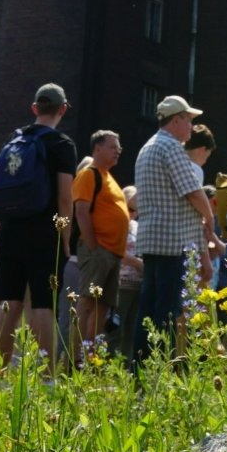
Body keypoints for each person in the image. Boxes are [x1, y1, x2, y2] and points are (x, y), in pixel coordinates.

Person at [132, 94, 222, 364]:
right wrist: (209, 217)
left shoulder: (147, 148)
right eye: (188, 120)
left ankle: (141, 368)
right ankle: (162, 368)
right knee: (168, 310)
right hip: (173, 241)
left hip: (152, 240)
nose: (191, 127)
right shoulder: (171, 148)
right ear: (176, 120)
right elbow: (194, 193)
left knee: (148, 309)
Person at [0, 83, 77, 364]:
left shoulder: (14, 139)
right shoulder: (62, 144)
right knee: (43, 303)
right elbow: (65, 197)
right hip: (44, 233)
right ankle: (47, 376)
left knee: (9, 301)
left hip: (10, 228)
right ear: (62, 109)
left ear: (34, 108)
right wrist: (65, 238)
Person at [71, 130, 130, 353]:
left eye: (119, 147)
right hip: (99, 251)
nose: (118, 151)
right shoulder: (89, 175)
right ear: (97, 148)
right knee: (87, 303)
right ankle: (74, 359)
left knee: (103, 307)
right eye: (113, 147)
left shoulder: (109, 177)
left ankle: (90, 357)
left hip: (112, 254)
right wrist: (93, 247)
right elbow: (81, 212)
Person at [110, 184, 143, 358]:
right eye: (130, 209)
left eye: (137, 210)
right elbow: (116, 250)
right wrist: (137, 263)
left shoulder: (137, 226)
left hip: (138, 285)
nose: (133, 214)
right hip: (121, 284)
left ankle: (127, 368)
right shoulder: (116, 224)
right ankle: (111, 366)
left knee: (132, 332)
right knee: (116, 330)